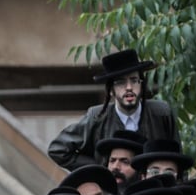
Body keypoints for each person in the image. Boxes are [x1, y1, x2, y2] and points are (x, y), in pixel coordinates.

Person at [48, 50, 179, 171]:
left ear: (142, 84)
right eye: (121, 82)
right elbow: (58, 149)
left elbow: (177, 158)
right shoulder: (96, 117)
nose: (129, 87)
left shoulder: (161, 113)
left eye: (134, 80)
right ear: (111, 90)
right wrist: (100, 169)